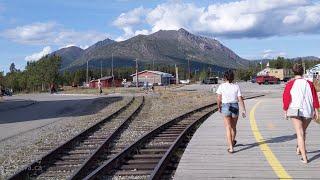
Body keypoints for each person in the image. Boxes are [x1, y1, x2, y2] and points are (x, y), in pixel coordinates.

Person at [283, 63, 319, 163]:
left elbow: (286, 98)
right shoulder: (309, 83)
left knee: (300, 133)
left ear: (293, 72)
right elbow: (315, 97)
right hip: (308, 110)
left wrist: (285, 110)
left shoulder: (290, 84)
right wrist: (316, 110)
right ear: (302, 71)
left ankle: (304, 157)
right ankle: (300, 149)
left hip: (294, 109)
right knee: (303, 131)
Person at [216, 70, 246, 153]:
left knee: (228, 127)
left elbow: (219, 98)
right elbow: (240, 98)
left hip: (226, 106)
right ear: (232, 77)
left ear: (225, 77)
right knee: (233, 127)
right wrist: (244, 110)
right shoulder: (236, 86)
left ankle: (231, 148)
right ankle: (232, 142)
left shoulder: (221, 86)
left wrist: (219, 107)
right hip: (234, 106)